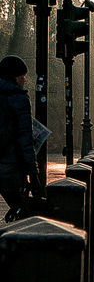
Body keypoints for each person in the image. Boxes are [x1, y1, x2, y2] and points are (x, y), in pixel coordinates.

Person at [0, 55, 41, 223]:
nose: (24, 80)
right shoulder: (19, 98)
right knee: (23, 211)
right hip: (11, 165)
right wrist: (33, 172)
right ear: (15, 77)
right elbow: (25, 139)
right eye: (22, 76)